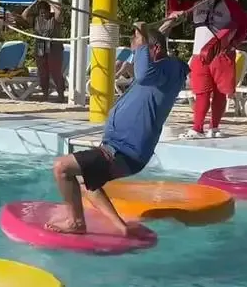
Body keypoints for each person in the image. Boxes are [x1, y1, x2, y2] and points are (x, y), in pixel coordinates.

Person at [46, 24, 189, 235]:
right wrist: (163, 26)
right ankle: (120, 227)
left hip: (123, 151)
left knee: (61, 167)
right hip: (121, 149)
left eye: (140, 51)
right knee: (87, 182)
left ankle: (76, 222)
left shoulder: (164, 71)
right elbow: (156, 43)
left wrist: (144, 39)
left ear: (155, 50)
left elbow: (144, 72)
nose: (137, 57)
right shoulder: (162, 70)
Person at [165, 0, 247, 139]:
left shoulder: (230, 5)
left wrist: (234, 43)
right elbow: (174, 9)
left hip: (221, 54)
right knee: (201, 93)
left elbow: (246, 23)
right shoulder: (197, 2)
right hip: (199, 54)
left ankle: (214, 127)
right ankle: (197, 128)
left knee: (220, 93)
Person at [20, 0, 67, 102]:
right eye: (41, 12)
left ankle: (61, 95)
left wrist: (51, 4)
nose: (42, 14)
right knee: (43, 72)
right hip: (41, 46)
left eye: (44, 11)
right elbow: (24, 15)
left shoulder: (54, 18)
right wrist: (33, 3)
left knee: (55, 72)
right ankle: (45, 94)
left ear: (48, 11)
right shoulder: (36, 19)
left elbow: (59, 14)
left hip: (54, 47)